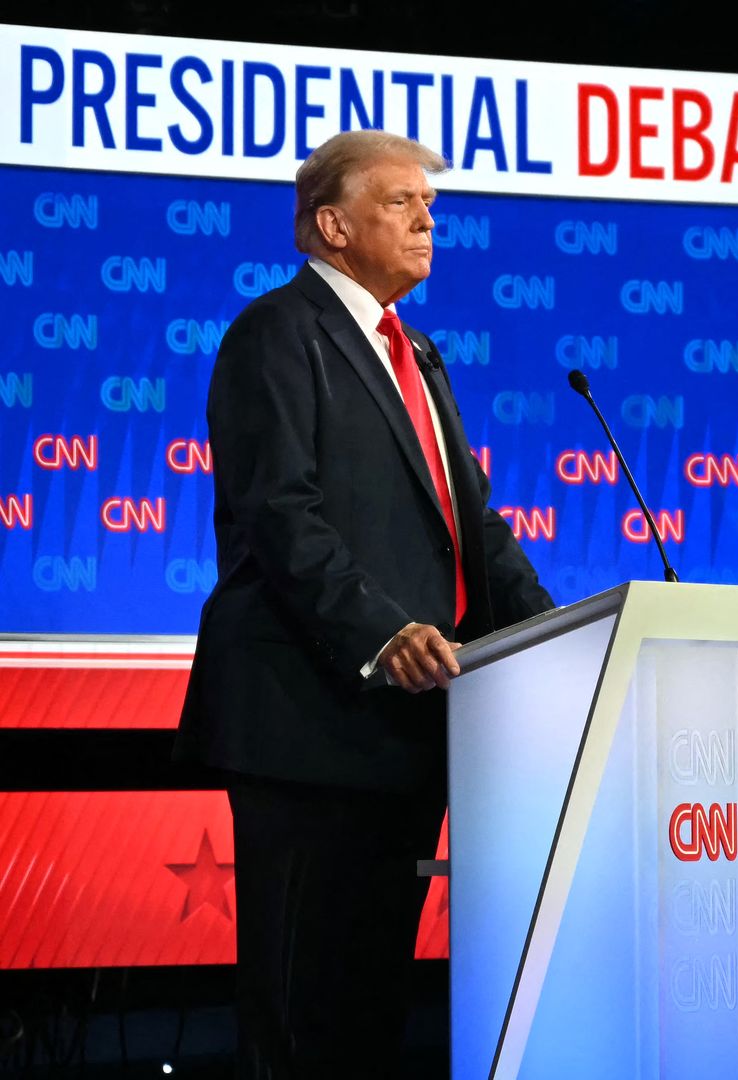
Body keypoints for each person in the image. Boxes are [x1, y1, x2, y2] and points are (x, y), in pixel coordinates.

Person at [175, 129, 555, 1077]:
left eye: (429, 203)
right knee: (304, 1005)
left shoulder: (416, 352)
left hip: (404, 728)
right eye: (400, 203)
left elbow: (473, 525)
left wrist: (554, 636)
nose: (427, 220)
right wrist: (382, 632)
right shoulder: (276, 331)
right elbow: (280, 514)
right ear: (332, 225)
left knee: (369, 1004)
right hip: (307, 720)